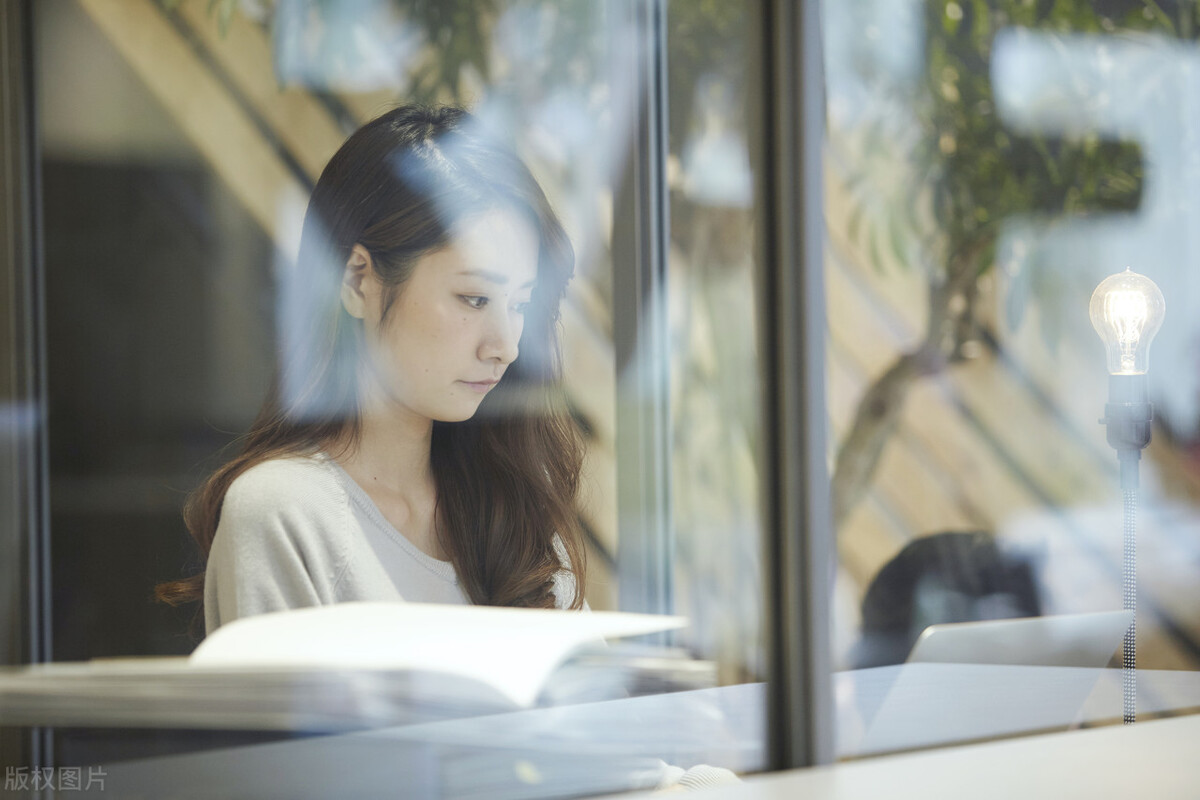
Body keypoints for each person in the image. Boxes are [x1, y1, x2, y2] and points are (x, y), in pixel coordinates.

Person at [155, 105, 587, 638]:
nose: (506, 347)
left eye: (520, 305)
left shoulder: (514, 514)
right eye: (474, 298)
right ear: (359, 281)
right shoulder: (283, 515)